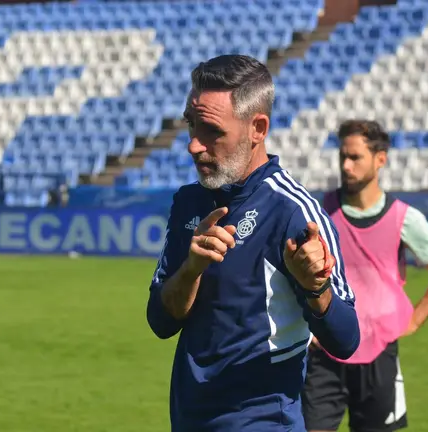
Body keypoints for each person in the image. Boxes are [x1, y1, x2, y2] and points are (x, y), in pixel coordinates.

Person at [146, 54, 360, 431]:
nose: (194, 146)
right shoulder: (189, 202)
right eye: (191, 126)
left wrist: (317, 288)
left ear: (257, 128)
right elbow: (160, 322)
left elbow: (346, 340)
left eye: (211, 131)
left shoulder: (294, 212)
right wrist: (191, 270)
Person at [302, 119, 428, 432]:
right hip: (324, 353)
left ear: (380, 159)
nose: (346, 165)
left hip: (379, 356)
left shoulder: (405, 218)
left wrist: (413, 320)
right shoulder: (319, 212)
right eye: (342, 157)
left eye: (355, 157)